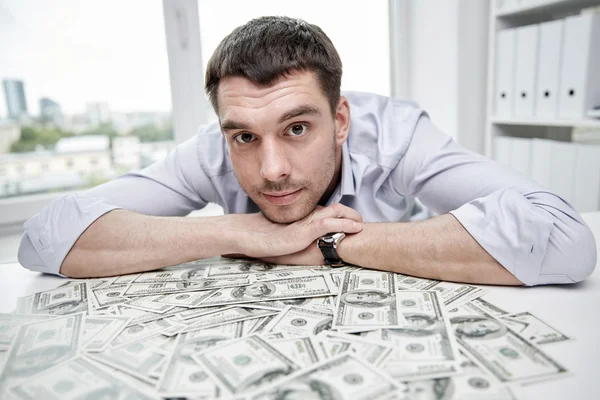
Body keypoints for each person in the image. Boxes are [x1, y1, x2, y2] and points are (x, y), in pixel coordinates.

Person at [18, 16, 596, 287]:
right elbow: (45, 236)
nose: (271, 171)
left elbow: (565, 238)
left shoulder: (396, 134)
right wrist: (243, 234)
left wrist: (330, 245)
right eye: (245, 136)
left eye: (297, 128)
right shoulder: (212, 149)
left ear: (340, 120)